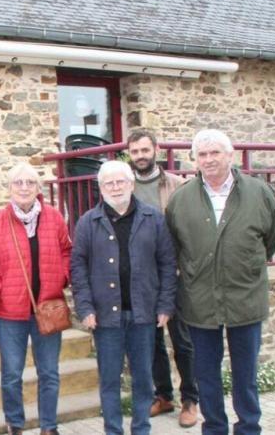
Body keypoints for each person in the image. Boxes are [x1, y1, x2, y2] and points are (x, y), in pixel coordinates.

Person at [166, 129, 275, 435]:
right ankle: (214, 427)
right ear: (195, 160)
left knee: (246, 373)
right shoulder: (181, 199)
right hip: (199, 300)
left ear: (231, 156)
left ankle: (248, 427)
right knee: (206, 373)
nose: (209, 159)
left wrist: (243, 266)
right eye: (202, 154)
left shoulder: (260, 192)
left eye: (215, 152)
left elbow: (271, 239)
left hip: (245, 297)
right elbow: (175, 247)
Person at [71, 160, 177, 435]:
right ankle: (113, 430)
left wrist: (165, 304)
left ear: (131, 184)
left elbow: (167, 264)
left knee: (143, 378)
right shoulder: (87, 222)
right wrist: (85, 307)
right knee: (109, 380)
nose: (115, 187)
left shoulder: (153, 218)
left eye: (121, 182)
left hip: (143, 314)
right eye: (109, 183)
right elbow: (78, 268)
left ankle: (141, 428)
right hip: (105, 316)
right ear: (101, 187)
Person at [0, 162, 72, 435]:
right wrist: (0, 291)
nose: (24, 187)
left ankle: (48, 427)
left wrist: (61, 277)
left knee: (49, 373)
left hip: (48, 308)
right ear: (9, 188)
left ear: (38, 188)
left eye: (30, 182)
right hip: (8, 314)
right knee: (12, 374)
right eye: (18, 183)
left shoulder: (53, 218)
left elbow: (67, 252)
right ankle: (15, 424)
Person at [127, 130, 199, 428]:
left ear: (155, 150)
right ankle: (163, 395)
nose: (141, 156)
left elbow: (189, 232)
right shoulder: (125, 187)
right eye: (134, 151)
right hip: (141, 280)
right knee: (151, 341)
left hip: (174, 275)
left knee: (182, 341)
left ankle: (190, 400)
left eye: (145, 150)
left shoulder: (177, 186)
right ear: (128, 154)